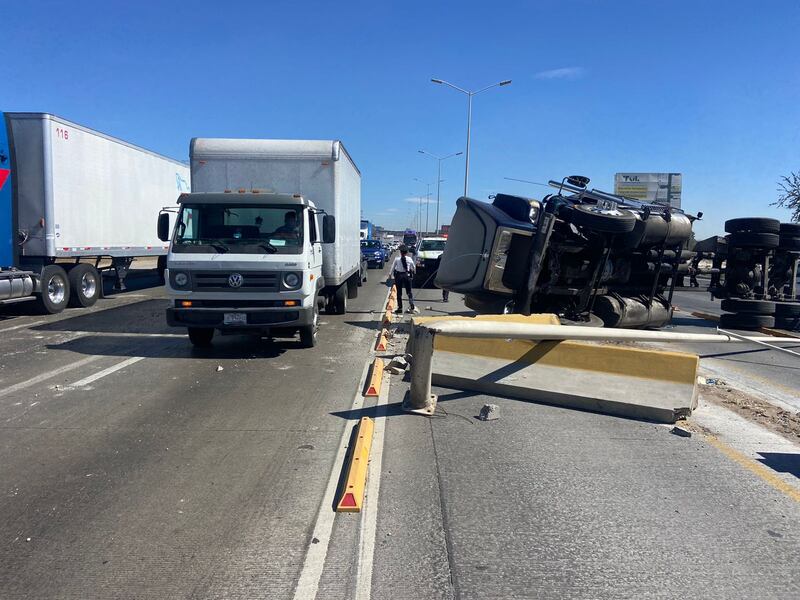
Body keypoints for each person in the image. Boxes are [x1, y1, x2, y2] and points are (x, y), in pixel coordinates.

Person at [391, 245, 416, 313]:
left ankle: (400, 308)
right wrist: (412, 273)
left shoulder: (397, 259)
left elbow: (393, 268)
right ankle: (411, 304)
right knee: (409, 291)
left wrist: (390, 275)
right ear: (407, 252)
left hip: (399, 276)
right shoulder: (409, 259)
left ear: (400, 252)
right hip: (406, 275)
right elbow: (413, 267)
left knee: (399, 293)